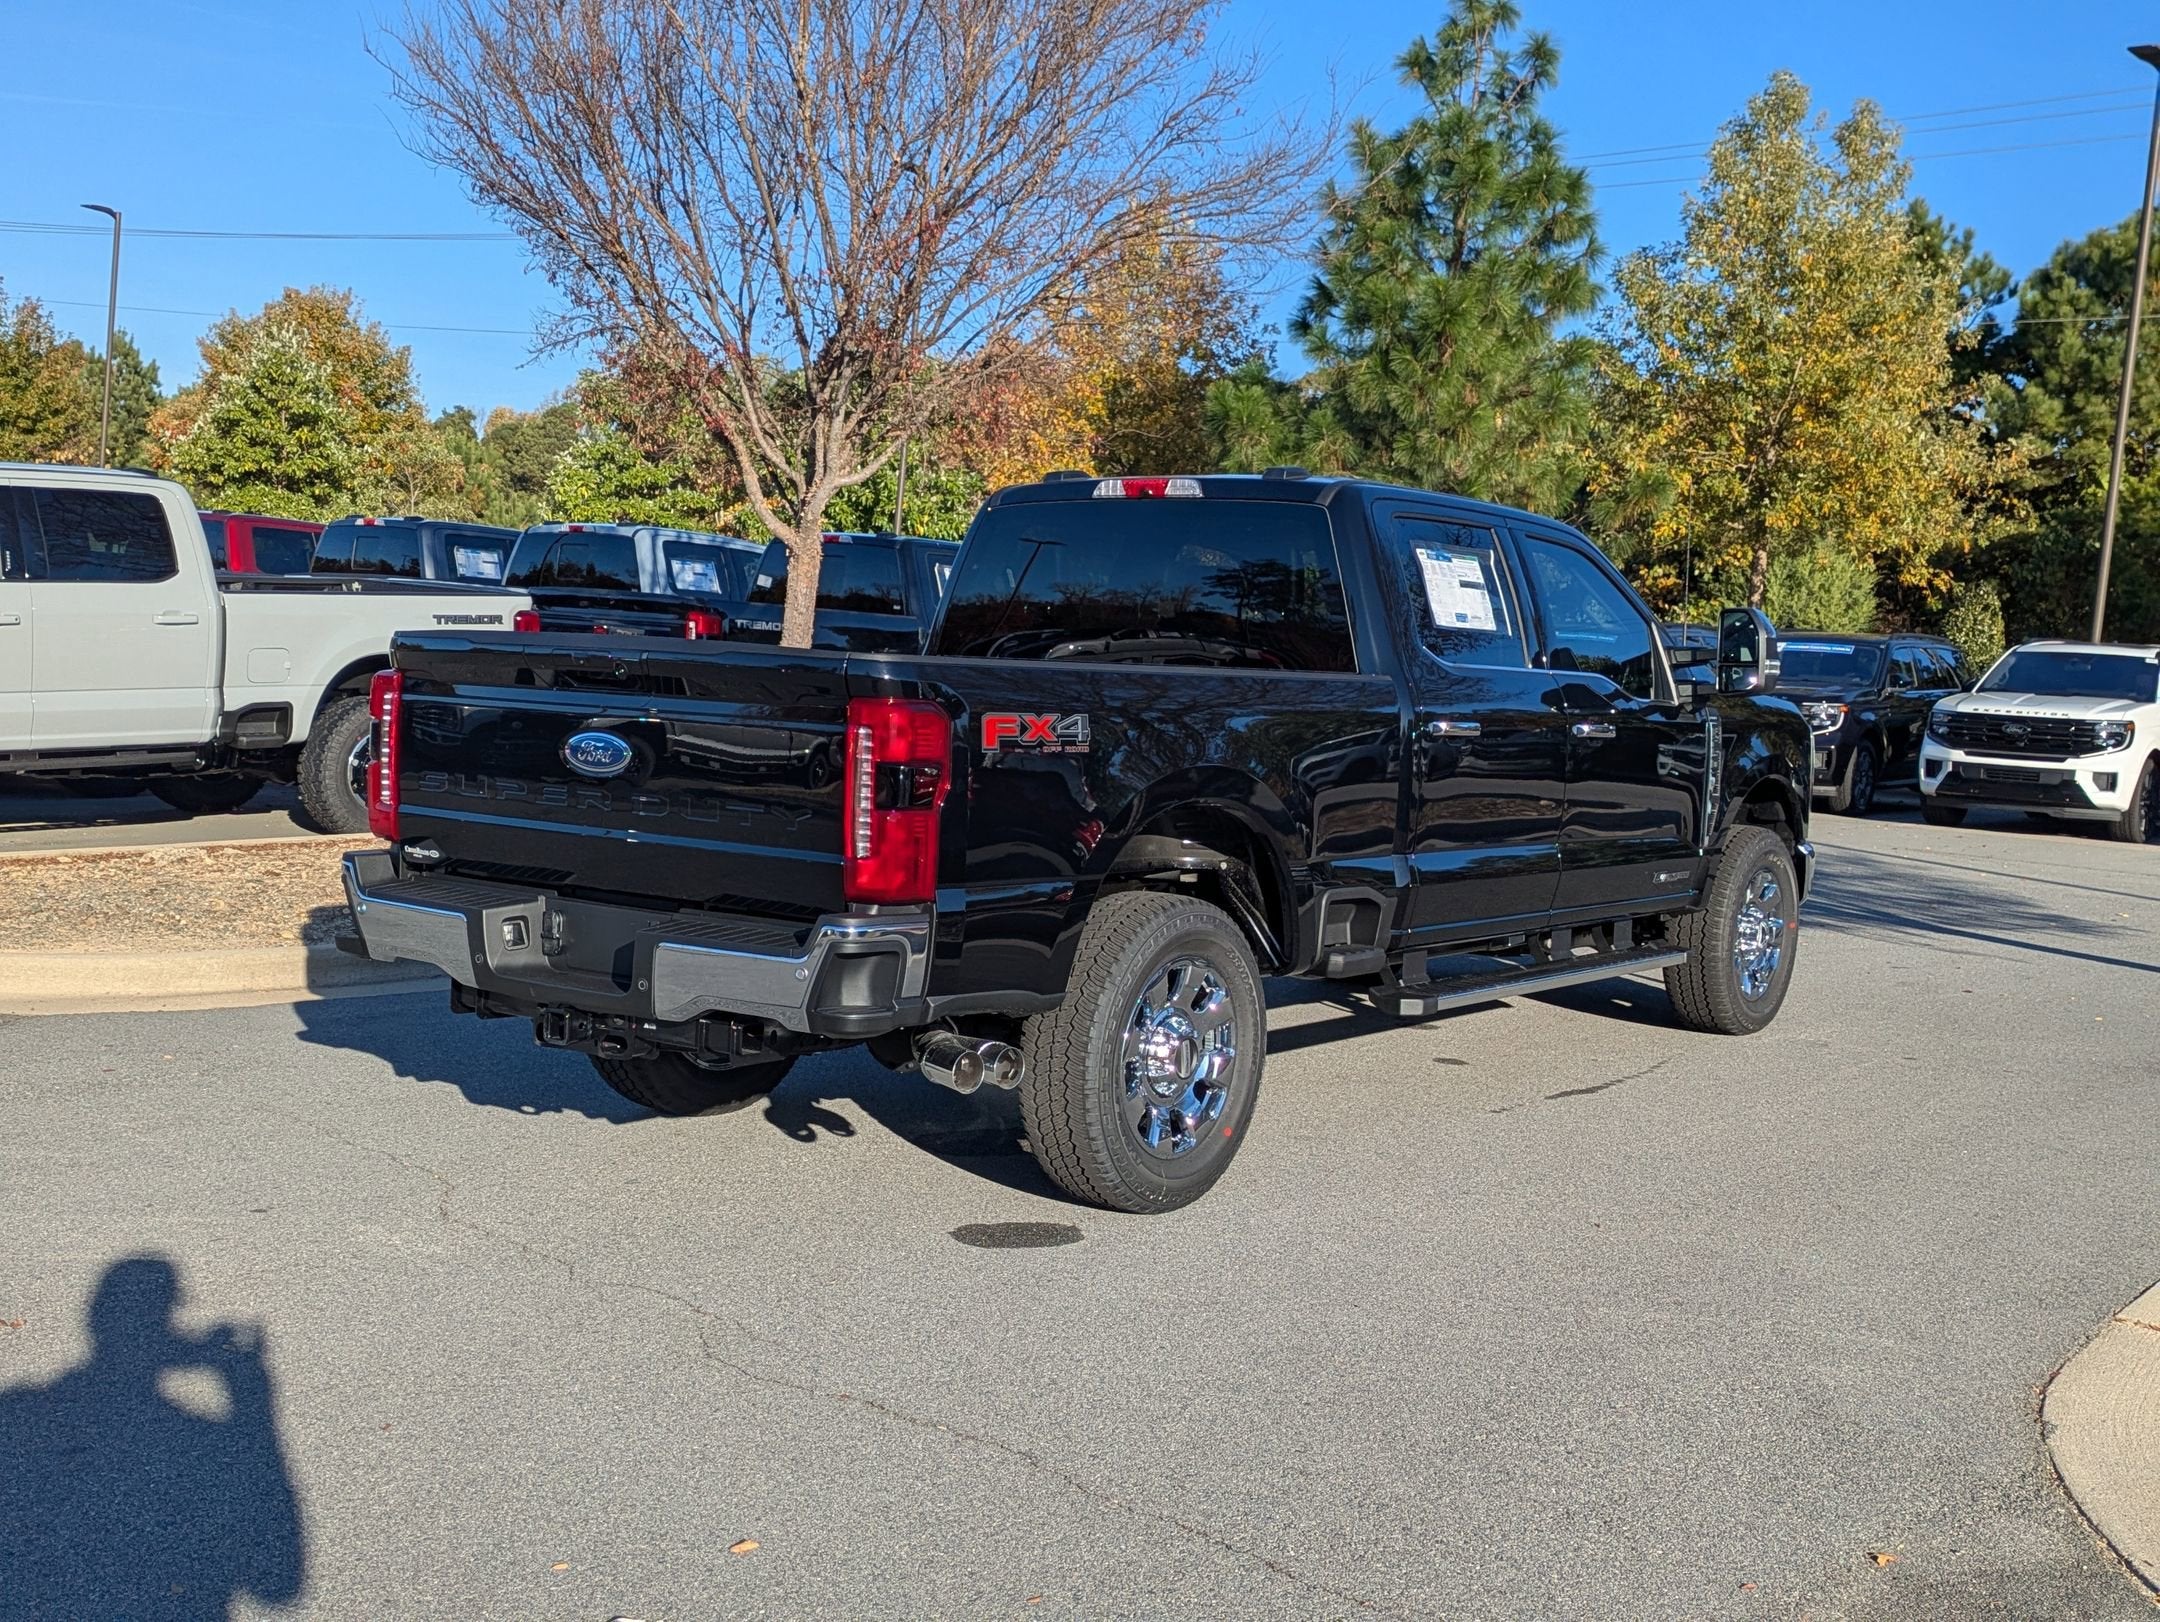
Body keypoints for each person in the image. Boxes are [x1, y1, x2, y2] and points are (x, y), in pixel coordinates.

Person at [0, 1255, 304, 1620]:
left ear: (96, 1320)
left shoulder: (17, 1410)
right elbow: (278, 1583)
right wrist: (252, 1401)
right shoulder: (202, 1444)